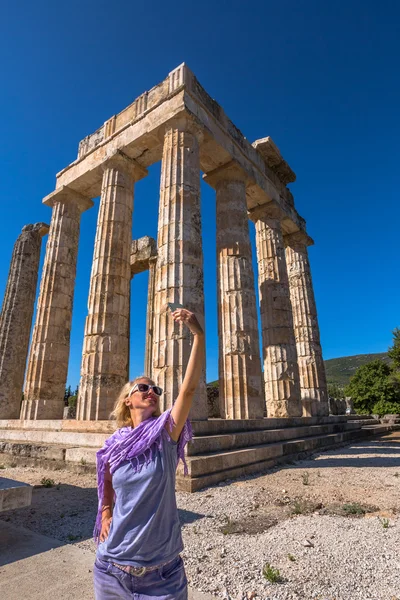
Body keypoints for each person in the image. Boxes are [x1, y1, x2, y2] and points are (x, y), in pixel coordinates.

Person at [93, 307, 204, 600]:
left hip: (162, 577)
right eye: (143, 387)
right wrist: (105, 511)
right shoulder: (114, 445)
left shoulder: (166, 434)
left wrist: (198, 334)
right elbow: (105, 475)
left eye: (155, 388)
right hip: (111, 570)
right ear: (128, 400)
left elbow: (189, 390)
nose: (151, 391)